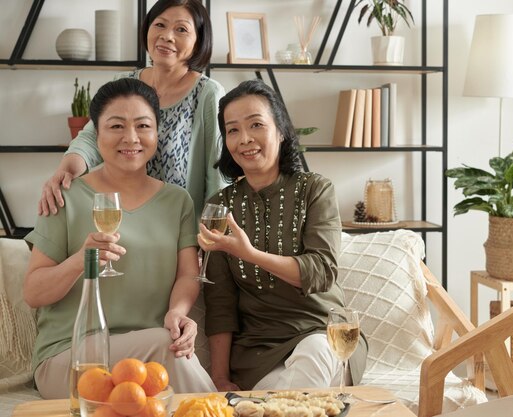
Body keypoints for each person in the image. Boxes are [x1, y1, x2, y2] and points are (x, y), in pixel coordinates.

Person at [23, 78, 216, 398]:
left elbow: (187, 274)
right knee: (165, 346)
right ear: (95, 134)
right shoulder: (64, 197)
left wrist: (178, 313)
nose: (131, 138)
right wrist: (80, 261)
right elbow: (33, 292)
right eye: (116, 126)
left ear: (156, 133)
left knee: (164, 348)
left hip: (148, 359)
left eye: (143, 125)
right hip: (71, 358)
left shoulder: (178, 201)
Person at [198, 79, 368, 391]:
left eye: (256, 125)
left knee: (312, 360)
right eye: (233, 130)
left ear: (281, 131)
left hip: (324, 335)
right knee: (285, 399)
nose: (245, 139)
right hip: (258, 355)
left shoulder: (315, 190)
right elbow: (220, 301)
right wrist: (220, 378)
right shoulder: (220, 207)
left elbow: (322, 272)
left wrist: (249, 254)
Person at [39, 0, 225, 221]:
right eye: (160, 25)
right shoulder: (125, 82)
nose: (167, 36)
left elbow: (217, 176)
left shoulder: (208, 94)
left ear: (199, 41)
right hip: (119, 220)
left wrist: (211, 237)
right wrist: (66, 171)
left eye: (181, 29)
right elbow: (91, 136)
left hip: (179, 232)